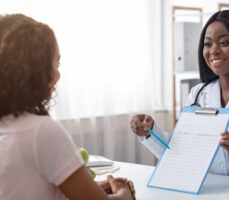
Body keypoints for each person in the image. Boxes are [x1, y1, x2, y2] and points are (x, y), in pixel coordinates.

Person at [130, 10, 229, 183]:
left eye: (224, 42)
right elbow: (180, 153)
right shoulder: (198, 95)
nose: (213, 51)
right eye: (207, 44)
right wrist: (149, 131)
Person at [0, 14, 135, 200]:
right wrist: (124, 193)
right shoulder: (41, 131)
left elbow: (31, 188)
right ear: (36, 71)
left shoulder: (7, 128)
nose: (58, 75)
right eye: (55, 63)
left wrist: (94, 188)